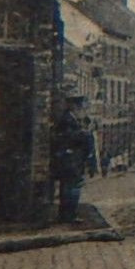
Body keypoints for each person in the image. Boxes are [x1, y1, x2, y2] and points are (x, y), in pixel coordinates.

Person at [52, 93, 93, 223]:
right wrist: (84, 134)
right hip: (70, 160)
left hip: (73, 160)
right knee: (70, 188)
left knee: (70, 188)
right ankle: (68, 215)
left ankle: (68, 214)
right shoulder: (67, 120)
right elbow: (67, 137)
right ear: (74, 107)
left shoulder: (72, 119)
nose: (81, 109)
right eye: (79, 106)